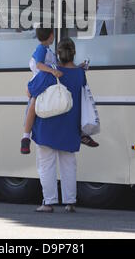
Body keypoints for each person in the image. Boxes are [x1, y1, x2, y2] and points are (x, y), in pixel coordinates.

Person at [28, 38, 87, 213]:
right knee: (69, 164)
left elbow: (30, 90)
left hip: (47, 127)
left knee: (46, 164)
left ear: (57, 55)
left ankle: (48, 202)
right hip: (70, 127)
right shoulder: (80, 74)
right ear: (74, 53)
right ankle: (70, 202)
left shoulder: (50, 73)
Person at [20, 28, 99, 155]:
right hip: (40, 76)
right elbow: (39, 65)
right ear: (51, 35)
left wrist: (78, 67)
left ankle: (26, 135)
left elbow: (62, 67)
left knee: (46, 169)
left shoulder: (49, 52)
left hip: (47, 132)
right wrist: (52, 71)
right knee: (32, 105)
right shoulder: (42, 49)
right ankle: (25, 136)